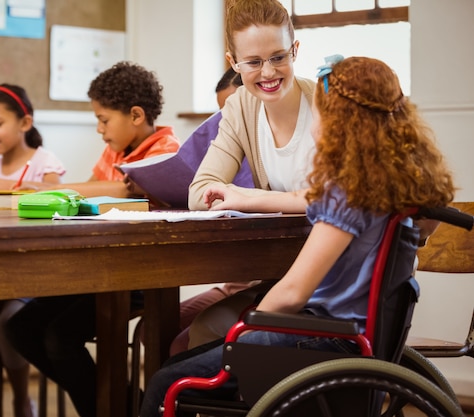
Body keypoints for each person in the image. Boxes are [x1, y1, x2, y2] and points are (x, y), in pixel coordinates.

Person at [139, 54, 456, 417]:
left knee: (168, 380)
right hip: (359, 336)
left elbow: (293, 292)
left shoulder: (346, 191)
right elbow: (307, 201)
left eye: (317, 111)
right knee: (198, 358)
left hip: (325, 340)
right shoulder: (400, 186)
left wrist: (246, 327)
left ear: (338, 120)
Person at [4, 61, 180, 417]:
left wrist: (48, 187)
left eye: (104, 120)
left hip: (139, 276)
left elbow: (129, 192)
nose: (99, 130)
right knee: (20, 327)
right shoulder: (116, 150)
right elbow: (92, 194)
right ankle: (120, 401)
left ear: (135, 115)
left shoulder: (166, 150)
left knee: (59, 338)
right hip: (100, 270)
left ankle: (112, 405)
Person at [184, 0, 317, 352]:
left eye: (278, 57)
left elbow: (336, 198)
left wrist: (248, 197)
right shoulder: (240, 105)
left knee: (223, 335)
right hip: (283, 271)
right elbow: (199, 192)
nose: (268, 73)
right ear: (234, 63)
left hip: (328, 274)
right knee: (203, 332)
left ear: (295, 50)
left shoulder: (328, 104)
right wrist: (231, 192)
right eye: (254, 62)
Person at [0, 83, 66, 417]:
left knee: (5, 325)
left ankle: (20, 398)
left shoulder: (45, 163)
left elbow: (56, 210)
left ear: (24, 123)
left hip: (34, 272)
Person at [163, 67, 254, 355]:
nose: (227, 120)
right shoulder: (225, 146)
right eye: (222, 113)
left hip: (253, 280)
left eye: (234, 108)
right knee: (159, 328)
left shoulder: (267, 156)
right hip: (234, 282)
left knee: (180, 342)